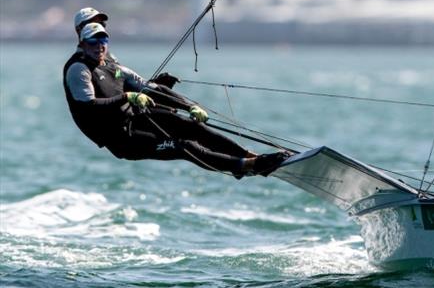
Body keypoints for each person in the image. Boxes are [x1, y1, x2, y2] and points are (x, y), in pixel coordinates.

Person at [63, 22, 291, 178]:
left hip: (139, 120)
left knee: (192, 126)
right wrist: (128, 96)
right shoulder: (79, 69)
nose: (99, 45)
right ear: (82, 42)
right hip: (123, 139)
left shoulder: (113, 65)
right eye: (92, 41)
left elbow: (149, 88)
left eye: (103, 39)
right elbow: (89, 107)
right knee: (184, 146)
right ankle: (244, 166)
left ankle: (251, 157)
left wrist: (189, 106)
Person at [72, 7, 178, 88]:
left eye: (101, 24)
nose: (98, 28)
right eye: (92, 25)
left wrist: (155, 85)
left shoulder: (108, 57)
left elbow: (118, 79)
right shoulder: (76, 67)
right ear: (78, 30)